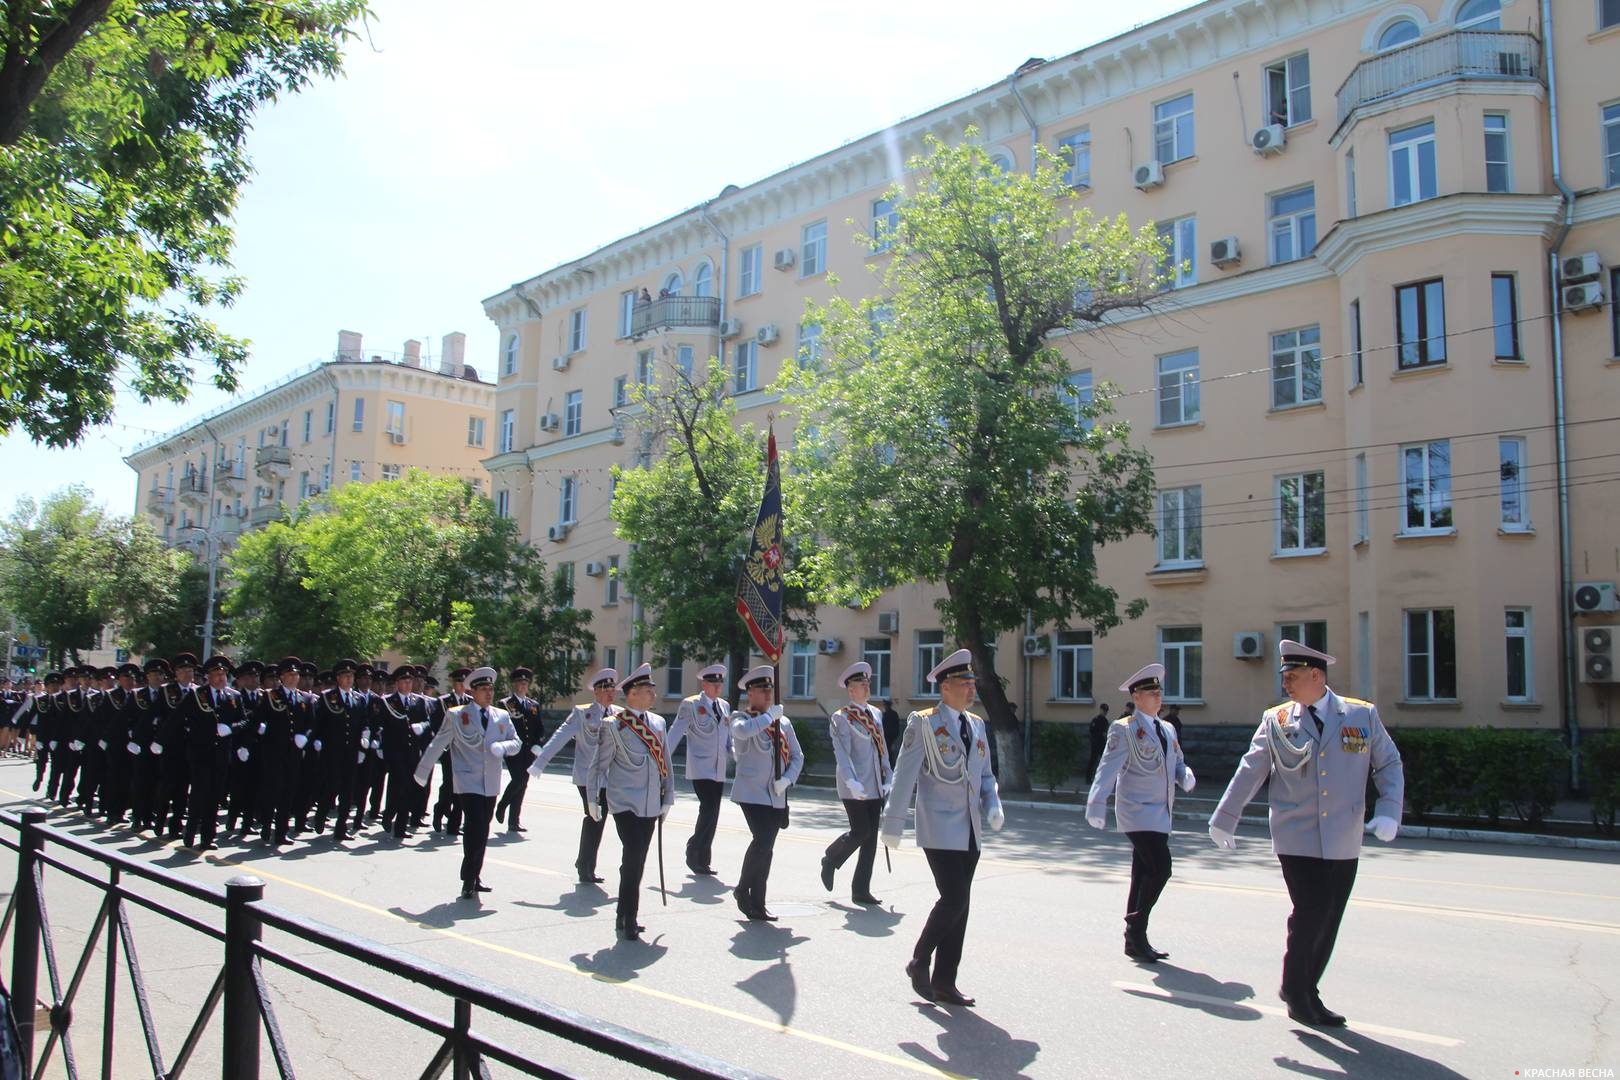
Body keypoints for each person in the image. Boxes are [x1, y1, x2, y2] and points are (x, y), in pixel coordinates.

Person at [1209, 639, 1404, 1028]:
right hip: (1295, 834)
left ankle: (1305, 987)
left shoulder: (1361, 715)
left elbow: (1389, 763)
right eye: (1284, 676)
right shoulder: (1277, 720)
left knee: (1330, 917)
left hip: (1344, 835)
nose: (1286, 684)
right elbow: (1252, 770)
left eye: (1293, 676)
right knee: (1310, 912)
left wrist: (1389, 811)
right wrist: (1225, 816)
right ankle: (1297, 992)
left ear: (1317, 676)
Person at [882, 648, 1003, 1007]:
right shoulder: (923, 723)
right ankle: (919, 961)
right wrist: (892, 822)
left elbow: (985, 775)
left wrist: (993, 802)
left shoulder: (977, 725)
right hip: (938, 825)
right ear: (946, 686)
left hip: (969, 829)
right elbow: (904, 775)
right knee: (952, 898)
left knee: (961, 905)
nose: (971, 690)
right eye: (965, 683)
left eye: (972, 683)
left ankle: (945, 982)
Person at [1085, 663, 1195, 962]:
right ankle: (1135, 925)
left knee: (1143, 872)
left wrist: (1184, 774)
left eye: (1159, 691)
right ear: (1136, 696)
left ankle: (1134, 941)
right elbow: (1107, 767)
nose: (1158, 697)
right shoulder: (1124, 728)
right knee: (1161, 868)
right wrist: (1097, 802)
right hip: (1136, 810)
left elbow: (1177, 761)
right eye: (1151, 692)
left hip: (1161, 811)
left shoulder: (1167, 728)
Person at [414, 666, 521, 900]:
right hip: (467, 781)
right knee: (475, 826)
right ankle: (468, 878)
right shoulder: (456, 714)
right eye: (483, 689)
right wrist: (422, 772)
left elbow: (516, 742)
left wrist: (502, 747)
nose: (489, 693)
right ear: (472, 692)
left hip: (490, 782)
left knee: (483, 829)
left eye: (491, 689)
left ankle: (475, 874)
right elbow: (438, 742)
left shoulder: (501, 716)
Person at [586, 663, 673, 940]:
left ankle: (624, 912)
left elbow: (666, 764)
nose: (653, 696)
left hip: (650, 804)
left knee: (637, 859)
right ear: (632, 694)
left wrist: (668, 797)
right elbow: (597, 766)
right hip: (624, 803)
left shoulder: (658, 723)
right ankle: (629, 917)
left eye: (652, 691)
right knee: (633, 855)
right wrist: (592, 799)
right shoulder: (613, 726)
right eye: (647, 691)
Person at [529, 667, 617, 883]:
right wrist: (540, 762)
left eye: (612, 688)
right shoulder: (582, 712)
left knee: (600, 818)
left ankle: (584, 862)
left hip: (610, 777)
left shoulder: (619, 714)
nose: (610, 692)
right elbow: (560, 736)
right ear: (596, 691)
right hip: (587, 776)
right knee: (594, 817)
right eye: (605, 688)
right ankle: (586, 866)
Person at [729, 665, 803, 922]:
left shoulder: (783, 722)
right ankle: (742, 889)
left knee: (767, 847)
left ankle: (758, 903)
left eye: (770, 688)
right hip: (751, 793)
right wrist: (768, 717)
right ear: (750, 693)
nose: (768, 693)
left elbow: (797, 755)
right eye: (762, 689)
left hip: (776, 793)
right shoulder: (741, 718)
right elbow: (742, 733)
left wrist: (788, 779)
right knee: (761, 840)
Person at [821, 661, 892, 904]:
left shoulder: (876, 714)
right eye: (862, 684)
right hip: (853, 785)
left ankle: (861, 890)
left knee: (870, 839)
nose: (867, 687)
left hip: (874, 783)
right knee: (860, 831)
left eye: (867, 683)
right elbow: (843, 753)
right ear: (851, 690)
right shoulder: (842, 718)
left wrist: (888, 775)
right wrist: (851, 780)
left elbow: (881, 748)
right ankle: (831, 858)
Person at [665, 662, 731, 876]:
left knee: (714, 812)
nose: (718, 686)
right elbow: (675, 732)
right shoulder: (691, 704)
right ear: (704, 684)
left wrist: (738, 757)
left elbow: (727, 738)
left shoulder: (724, 706)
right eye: (713, 683)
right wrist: (660, 759)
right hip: (701, 767)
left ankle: (703, 858)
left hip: (719, 767)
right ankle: (695, 851)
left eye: (720, 682)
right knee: (709, 808)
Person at [495, 667, 545, 834]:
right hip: (513, 749)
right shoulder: (505, 704)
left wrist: (538, 743)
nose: (522, 686)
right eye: (519, 683)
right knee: (518, 779)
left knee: (523, 784)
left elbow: (539, 728)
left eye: (525, 683)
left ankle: (513, 821)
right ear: (513, 685)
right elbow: (501, 727)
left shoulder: (533, 705)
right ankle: (502, 805)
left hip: (529, 751)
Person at [1086, 702, 1110, 782]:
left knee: (1104, 761)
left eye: (1106, 711)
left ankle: (1103, 778)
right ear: (1100, 710)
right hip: (1095, 743)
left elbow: (1106, 732)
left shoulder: (1105, 721)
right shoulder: (1096, 720)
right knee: (1092, 761)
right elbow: (1091, 731)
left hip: (1102, 743)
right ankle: (1088, 778)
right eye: (1104, 710)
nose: (1105, 712)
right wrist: (1093, 741)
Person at [881, 699, 902, 765]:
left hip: (888, 736)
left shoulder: (886, 714)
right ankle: (890, 764)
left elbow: (884, 725)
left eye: (885, 705)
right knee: (889, 751)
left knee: (887, 751)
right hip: (890, 736)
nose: (885, 707)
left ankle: (889, 764)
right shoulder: (893, 714)